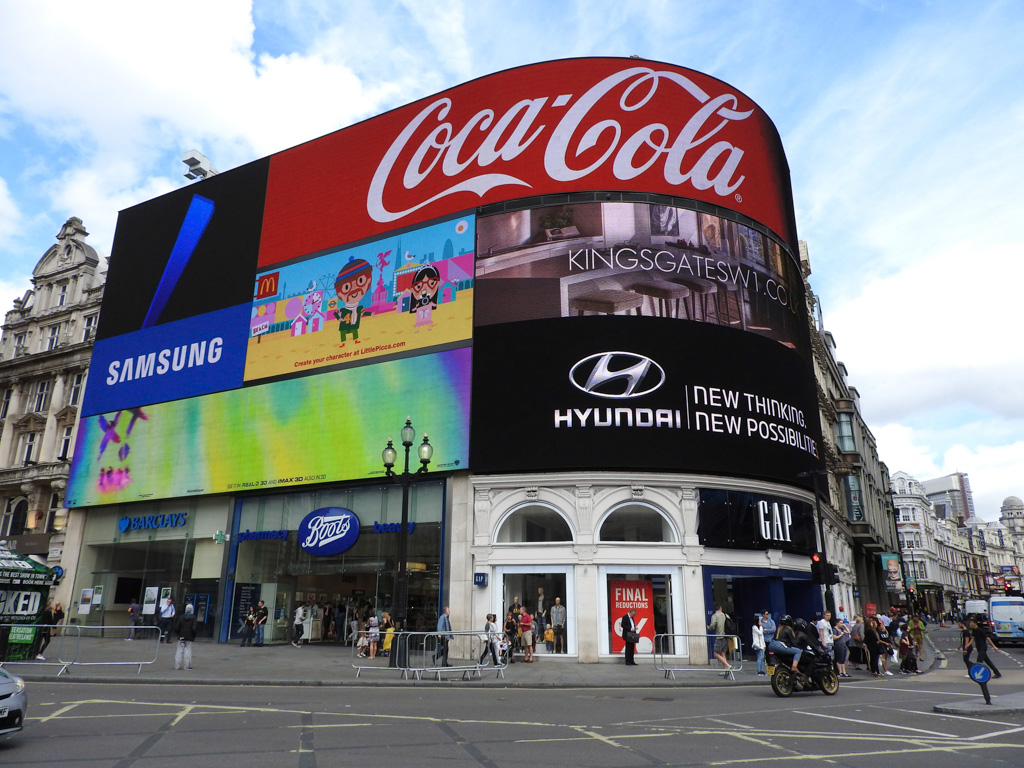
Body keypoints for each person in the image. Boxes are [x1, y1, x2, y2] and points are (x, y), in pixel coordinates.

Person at [707, 604, 732, 674]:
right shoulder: (726, 615)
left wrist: (708, 627)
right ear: (720, 608)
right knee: (722, 653)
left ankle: (728, 665)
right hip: (726, 636)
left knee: (715, 653)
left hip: (720, 637)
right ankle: (725, 671)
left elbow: (713, 625)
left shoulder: (715, 616)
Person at [172, 603, 198, 670]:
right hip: (189, 636)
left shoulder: (181, 617)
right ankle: (187, 665)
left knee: (179, 650)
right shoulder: (193, 617)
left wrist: (178, 634)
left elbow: (176, 627)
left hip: (181, 636)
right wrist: (194, 635)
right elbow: (194, 628)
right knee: (188, 650)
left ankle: (177, 666)